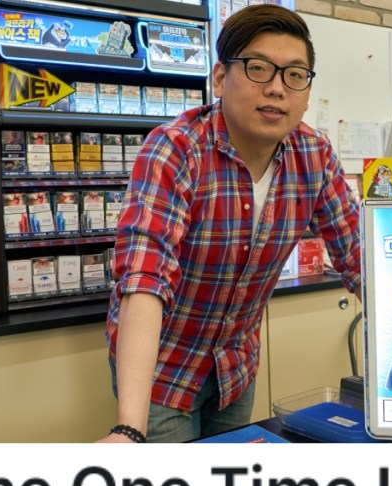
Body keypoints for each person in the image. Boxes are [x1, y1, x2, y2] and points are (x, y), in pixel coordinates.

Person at [99, 4, 361, 444]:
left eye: (295, 75)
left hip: (234, 367)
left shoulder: (314, 155)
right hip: (164, 367)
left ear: (307, 91)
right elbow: (144, 278)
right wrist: (129, 429)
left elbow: (358, 256)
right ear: (220, 78)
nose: (278, 89)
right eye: (259, 69)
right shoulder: (175, 149)